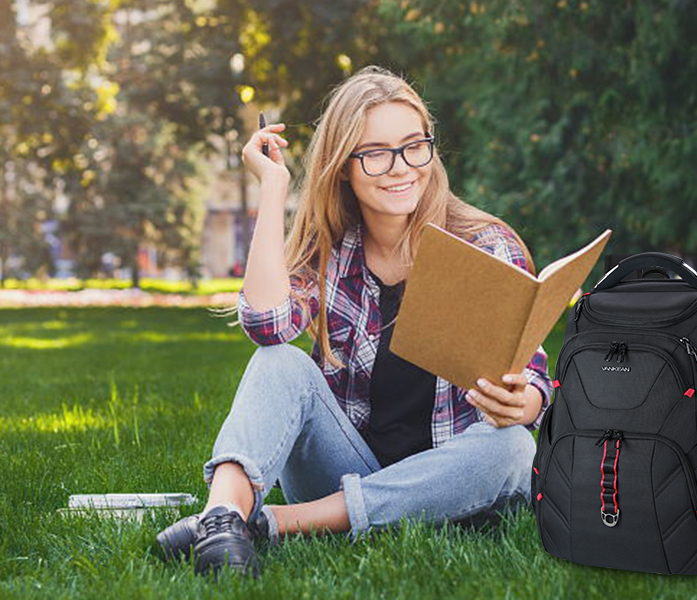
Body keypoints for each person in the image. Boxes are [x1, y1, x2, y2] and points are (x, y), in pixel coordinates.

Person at [160, 65, 552, 578]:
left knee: (512, 448)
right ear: (343, 166)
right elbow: (267, 325)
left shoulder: (485, 245)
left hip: (450, 480)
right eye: (375, 153)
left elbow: (533, 375)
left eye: (414, 146)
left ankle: (272, 523)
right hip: (343, 466)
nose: (400, 167)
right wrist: (273, 189)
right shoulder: (329, 248)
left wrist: (524, 402)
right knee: (279, 361)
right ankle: (223, 517)